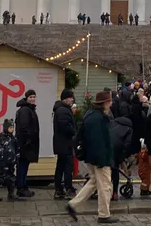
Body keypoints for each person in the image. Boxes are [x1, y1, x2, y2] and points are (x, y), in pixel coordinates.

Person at [66, 90, 118, 224]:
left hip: (92, 156)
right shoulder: (99, 118)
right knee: (105, 186)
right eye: (110, 101)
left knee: (94, 182)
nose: (111, 103)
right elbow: (98, 141)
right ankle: (104, 214)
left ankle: (73, 204)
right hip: (100, 158)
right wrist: (103, 160)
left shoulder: (91, 115)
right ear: (105, 103)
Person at [15, 90, 40, 197]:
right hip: (25, 144)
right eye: (30, 97)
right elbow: (24, 127)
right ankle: (21, 187)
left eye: (34, 96)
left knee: (24, 165)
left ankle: (23, 186)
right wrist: (28, 140)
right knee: (22, 166)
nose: (32, 98)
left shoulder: (28, 109)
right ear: (26, 98)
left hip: (25, 143)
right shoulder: (25, 110)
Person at [52, 89, 76, 199]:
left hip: (61, 143)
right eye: (71, 97)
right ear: (66, 98)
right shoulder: (63, 111)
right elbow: (66, 127)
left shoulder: (60, 109)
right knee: (67, 167)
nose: (72, 99)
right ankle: (68, 188)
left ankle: (59, 189)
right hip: (65, 143)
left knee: (60, 166)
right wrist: (74, 131)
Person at [0, 119, 24, 201]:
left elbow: (17, 149)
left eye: (12, 127)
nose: (12, 129)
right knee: (0, 177)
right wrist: (1, 159)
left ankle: (11, 194)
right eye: (10, 127)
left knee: (11, 178)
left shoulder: (13, 139)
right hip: (3, 163)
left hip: (11, 163)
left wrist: (16, 158)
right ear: (6, 128)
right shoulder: (2, 139)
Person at [110, 110, 134, 199]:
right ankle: (114, 192)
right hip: (118, 149)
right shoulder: (129, 128)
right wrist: (123, 157)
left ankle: (106, 190)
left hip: (107, 148)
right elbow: (127, 144)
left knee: (106, 170)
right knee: (115, 170)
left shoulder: (112, 123)